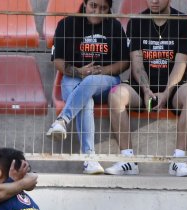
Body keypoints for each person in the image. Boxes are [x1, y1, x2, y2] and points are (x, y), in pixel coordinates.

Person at [106, 0, 187, 177]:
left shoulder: (185, 22)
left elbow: (180, 64)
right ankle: (128, 160)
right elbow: (137, 63)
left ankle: (178, 161)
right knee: (115, 94)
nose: (154, 1)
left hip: (175, 86)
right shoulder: (136, 22)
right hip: (141, 87)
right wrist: (146, 89)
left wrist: (166, 92)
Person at [45, 0, 129, 175]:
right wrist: (78, 71)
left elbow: (125, 61)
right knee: (86, 102)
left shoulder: (114, 26)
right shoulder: (67, 24)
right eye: (94, 6)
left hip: (106, 80)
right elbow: (58, 61)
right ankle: (90, 159)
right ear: (85, 4)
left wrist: (103, 71)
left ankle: (62, 121)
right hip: (73, 78)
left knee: (90, 81)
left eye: (104, 8)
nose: (98, 11)